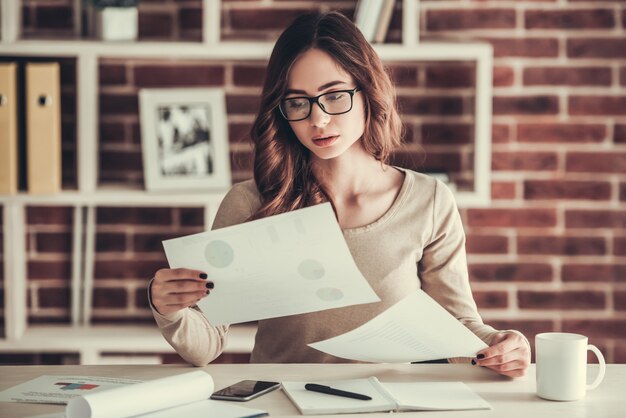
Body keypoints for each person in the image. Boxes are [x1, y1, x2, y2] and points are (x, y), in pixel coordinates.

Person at [148, 11, 531, 377]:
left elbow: (459, 328)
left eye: (334, 96)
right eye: (298, 102)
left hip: (390, 406)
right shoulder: (251, 203)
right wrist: (170, 310)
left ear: (368, 91)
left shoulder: (429, 201)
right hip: (282, 402)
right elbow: (208, 343)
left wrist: (501, 346)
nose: (318, 119)